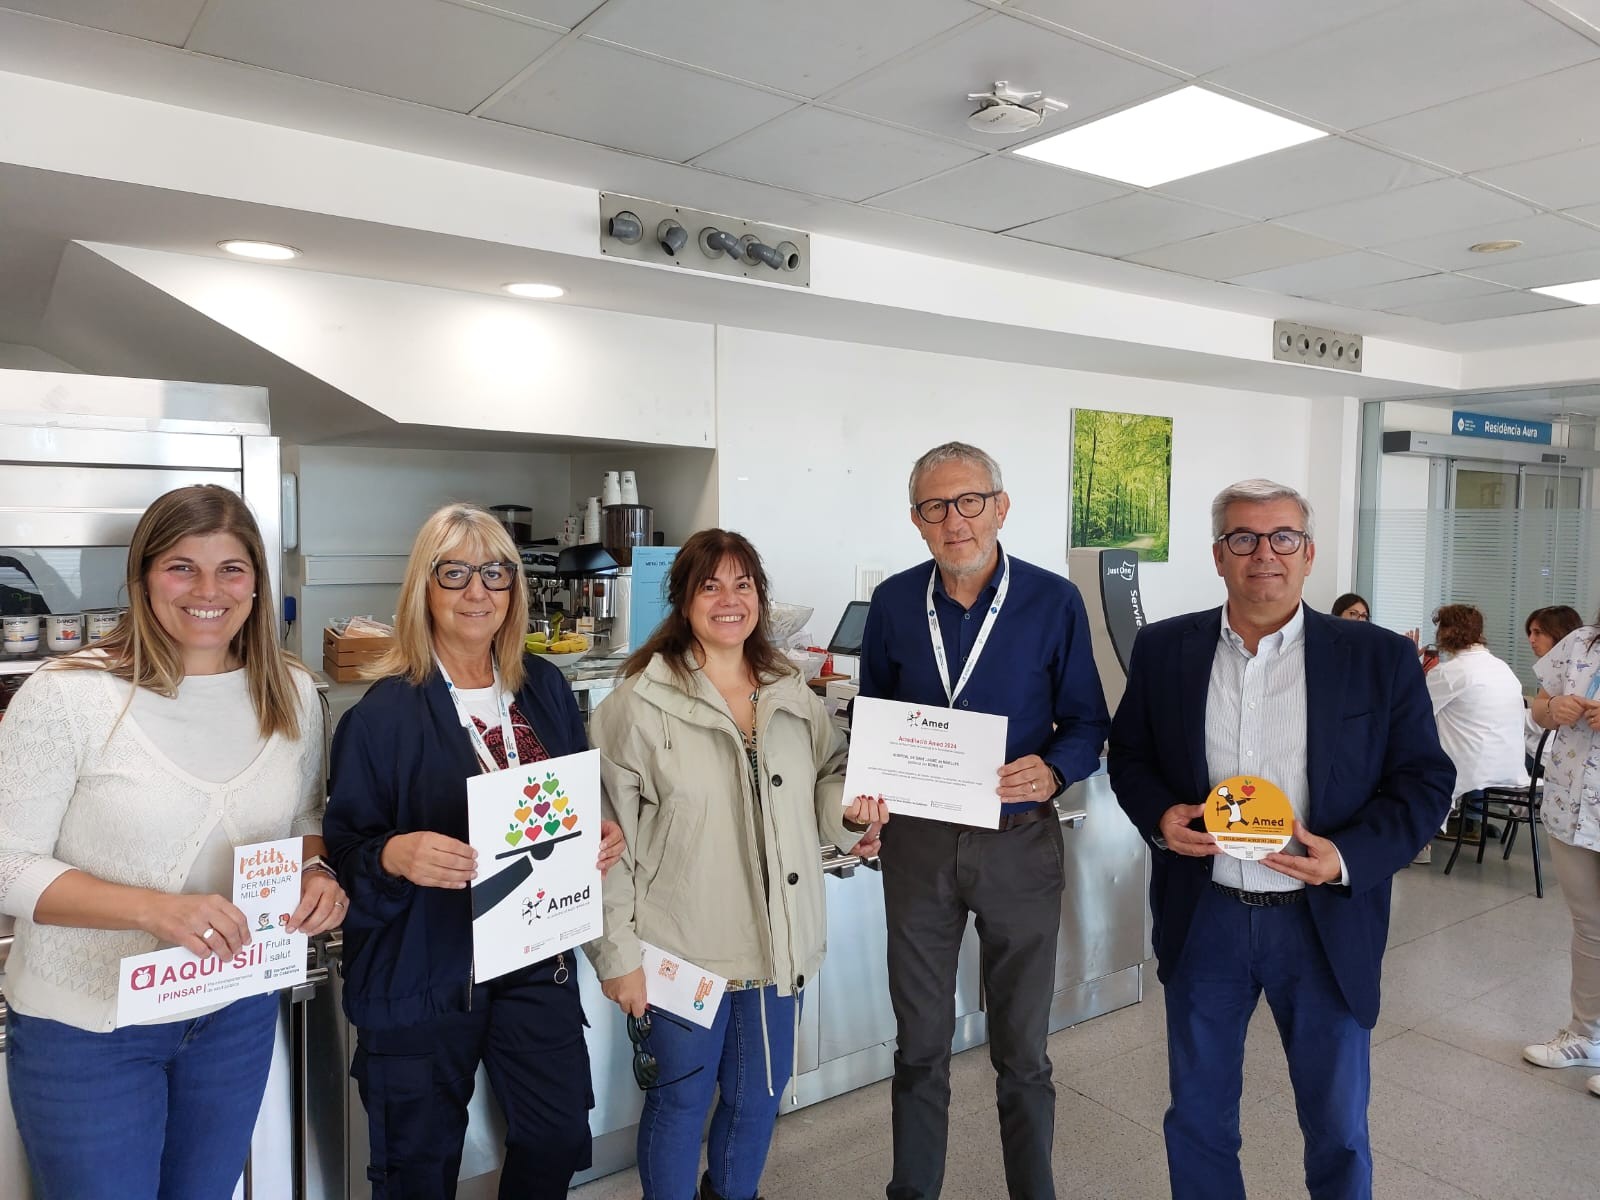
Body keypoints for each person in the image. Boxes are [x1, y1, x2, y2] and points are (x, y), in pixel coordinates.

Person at [1107, 478, 1452, 1200]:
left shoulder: (1376, 657)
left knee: (1338, 1126)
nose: (1264, 553)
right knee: (1198, 1118)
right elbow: (1130, 756)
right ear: (1219, 555)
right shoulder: (1165, 648)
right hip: (1206, 915)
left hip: (1323, 922)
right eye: (1244, 538)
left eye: (1283, 537)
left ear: (1308, 553)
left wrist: (1347, 857)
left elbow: (1424, 781)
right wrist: (1161, 817)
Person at [0, 484, 344, 1198]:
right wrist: (155, 910)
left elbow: (303, 820)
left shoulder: (290, 690)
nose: (208, 591)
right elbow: (7, 865)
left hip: (233, 1012)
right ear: (143, 579)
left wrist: (318, 876)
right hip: (88, 1029)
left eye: (231, 569)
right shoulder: (67, 694)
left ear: (256, 583)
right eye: (182, 567)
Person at [322, 503, 624, 1200]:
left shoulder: (543, 688)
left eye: (495, 573)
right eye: (454, 573)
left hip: (533, 955)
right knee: (417, 1169)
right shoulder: (379, 716)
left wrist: (596, 832)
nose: (477, 591)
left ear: (515, 588)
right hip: (424, 968)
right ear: (423, 588)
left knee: (556, 1137)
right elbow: (345, 853)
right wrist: (394, 855)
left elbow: (570, 799)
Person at [586, 528, 884, 1200]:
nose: (729, 600)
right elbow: (604, 846)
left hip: (779, 943)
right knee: (679, 1103)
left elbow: (828, 775)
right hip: (682, 950)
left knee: (758, 1100)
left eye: (742, 584)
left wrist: (851, 816)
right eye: (710, 586)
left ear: (759, 597)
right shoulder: (636, 706)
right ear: (683, 600)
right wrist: (617, 956)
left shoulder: (789, 689)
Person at [857, 441, 1109, 1200]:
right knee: (918, 1047)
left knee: (1023, 1052)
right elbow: (874, 719)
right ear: (916, 520)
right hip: (918, 849)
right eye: (935, 507)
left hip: (1018, 844)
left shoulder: (1053, 601)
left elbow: (1087, 722)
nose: (955, 520)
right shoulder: (894, 604)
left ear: (1001, 507)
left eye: (970, 501)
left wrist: (1056, 769)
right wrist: (867, 799)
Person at [1520, 616, 1600, 1098]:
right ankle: (1585, 1035)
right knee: (1589, 926)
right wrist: (1554, 708)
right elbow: (1538, 707)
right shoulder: (1580, 642)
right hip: (1571, 805)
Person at [1425, 604, 1529, 836]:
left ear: (1446, 632)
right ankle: (1470, 819)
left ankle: (1421, 833)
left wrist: (1413, 665)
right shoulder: (1502, 667)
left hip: (1472, 769)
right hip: (1509, 766)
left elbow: (1415, 710)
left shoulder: (1449, 672)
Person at [1523, 605, 1583, 763]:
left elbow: (1542, 722)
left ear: (1559, 634)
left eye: (1538, 632)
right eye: (1530, 633)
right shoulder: (1552, 670)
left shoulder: (1576, 674)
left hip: (1550, 758)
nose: (1531, 639)